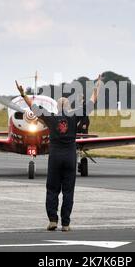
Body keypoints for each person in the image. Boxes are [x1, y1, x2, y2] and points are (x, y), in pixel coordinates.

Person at [16, 76, 101, 232]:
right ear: (68, 107)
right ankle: (66, 224)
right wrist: (97, 87)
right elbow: (91, 102)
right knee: (68, 191)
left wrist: (23, 94)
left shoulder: (51, 117)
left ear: (57, 107)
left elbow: (33, 107)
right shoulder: (75, 115)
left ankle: (53, 220)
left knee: (52, 189)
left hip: (55, 157)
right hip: (70, 156)